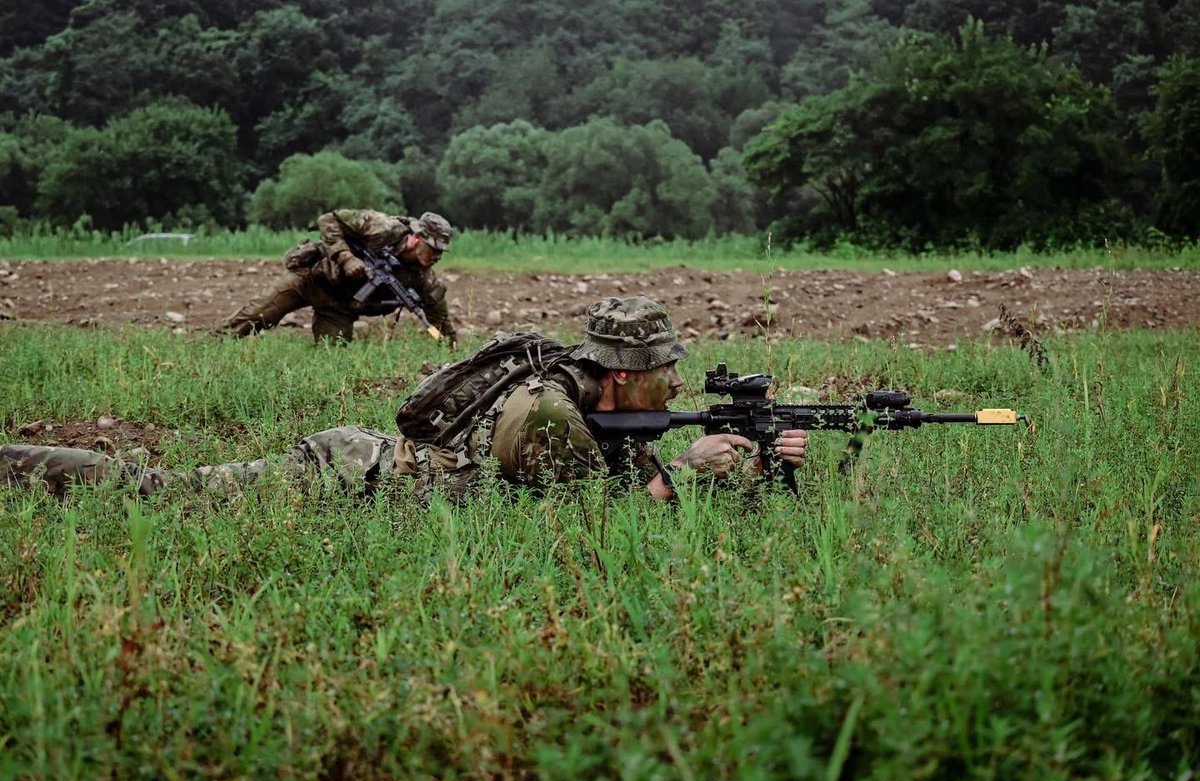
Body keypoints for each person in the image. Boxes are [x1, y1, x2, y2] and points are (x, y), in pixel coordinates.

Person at [2, 297, 808, 501]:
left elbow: (621, 466)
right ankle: (16, 465)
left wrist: (755, 457)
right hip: (350, 479)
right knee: (161, 493)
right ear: (629, 373)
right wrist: (694, 472)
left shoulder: (586, 388)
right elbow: (602, 516)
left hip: (375, 469)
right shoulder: (553, 411)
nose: (677, 379)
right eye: (666, 367)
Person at [219, 209, 457, 344]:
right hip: (312, 280)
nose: (437, 256)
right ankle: (215, 343)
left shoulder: (422, 275)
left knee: (331, 354)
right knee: (256, 316)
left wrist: (449, 343)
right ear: (416, 239)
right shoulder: (382, 227)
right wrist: (346, 258)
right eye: (433, 248)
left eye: (440, 252)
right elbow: (327, 220)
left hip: (339, 306)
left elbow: (437, 311)